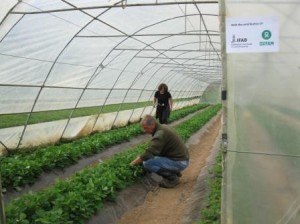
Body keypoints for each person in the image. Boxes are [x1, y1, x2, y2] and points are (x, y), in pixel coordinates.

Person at [130, 115, 189, 188]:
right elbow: (154, 151)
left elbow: (149, 153)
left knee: (147, 163)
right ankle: (174, 171)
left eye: (146, 128)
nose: (145, 131)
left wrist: (132, 164)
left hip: (179, 162)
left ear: (152, 124)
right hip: (180, 159)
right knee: (148, 159)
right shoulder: (162, 127)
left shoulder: (160, 134)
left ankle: (172, 178)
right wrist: (140, 158)